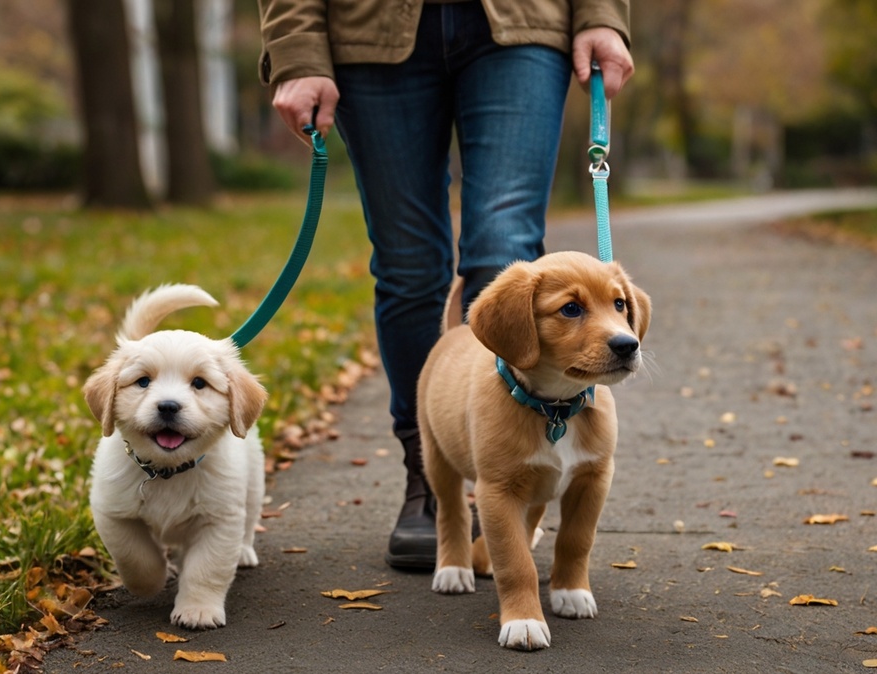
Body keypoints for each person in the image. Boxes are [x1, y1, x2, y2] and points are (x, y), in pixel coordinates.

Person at [258, 0, 633, 570]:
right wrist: (296, 48)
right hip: (369, 29)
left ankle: (508, 466)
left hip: (522, 25)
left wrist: (602, 13)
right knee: (409, 265)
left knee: (505, 251)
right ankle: (432, 473)